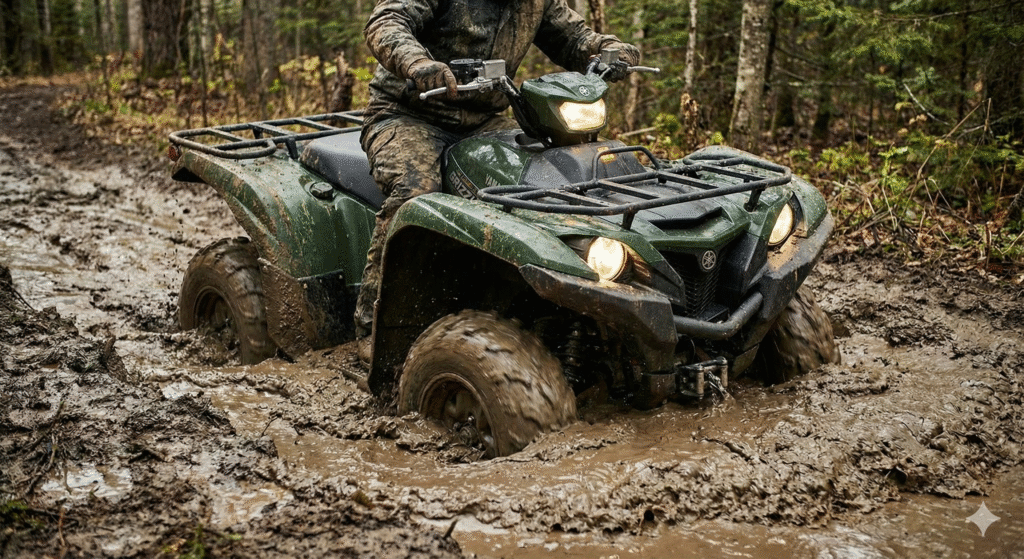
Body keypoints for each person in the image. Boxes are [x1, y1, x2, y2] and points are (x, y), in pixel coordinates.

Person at [355, 0, 640, 362]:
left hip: (486, 119)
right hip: (408, 114)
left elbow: (572, 38)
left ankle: (537, 304)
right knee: (416, 193)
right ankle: (371, 326)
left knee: (548, 182)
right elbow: (387, 22)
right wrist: (418, 63)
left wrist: (606, 49)